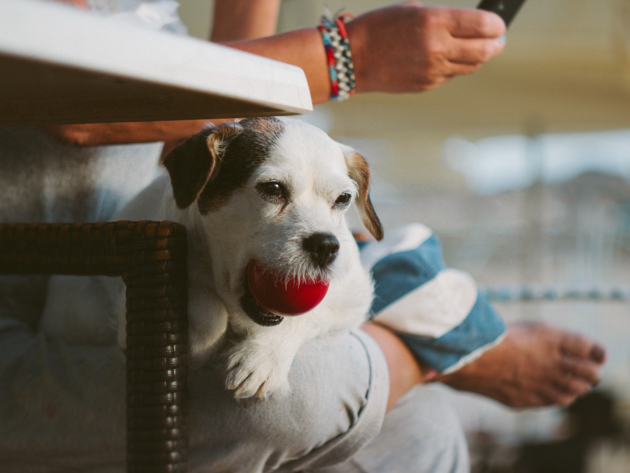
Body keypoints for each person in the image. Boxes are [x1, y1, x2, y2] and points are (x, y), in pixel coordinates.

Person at [0, 0, 606, 472]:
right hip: (34, 311)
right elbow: (76, 112)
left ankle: (416, 336)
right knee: (287, 405)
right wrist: (353, 54)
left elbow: (217, 121)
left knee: (421, 428)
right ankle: (435, 347)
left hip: (177, 266)